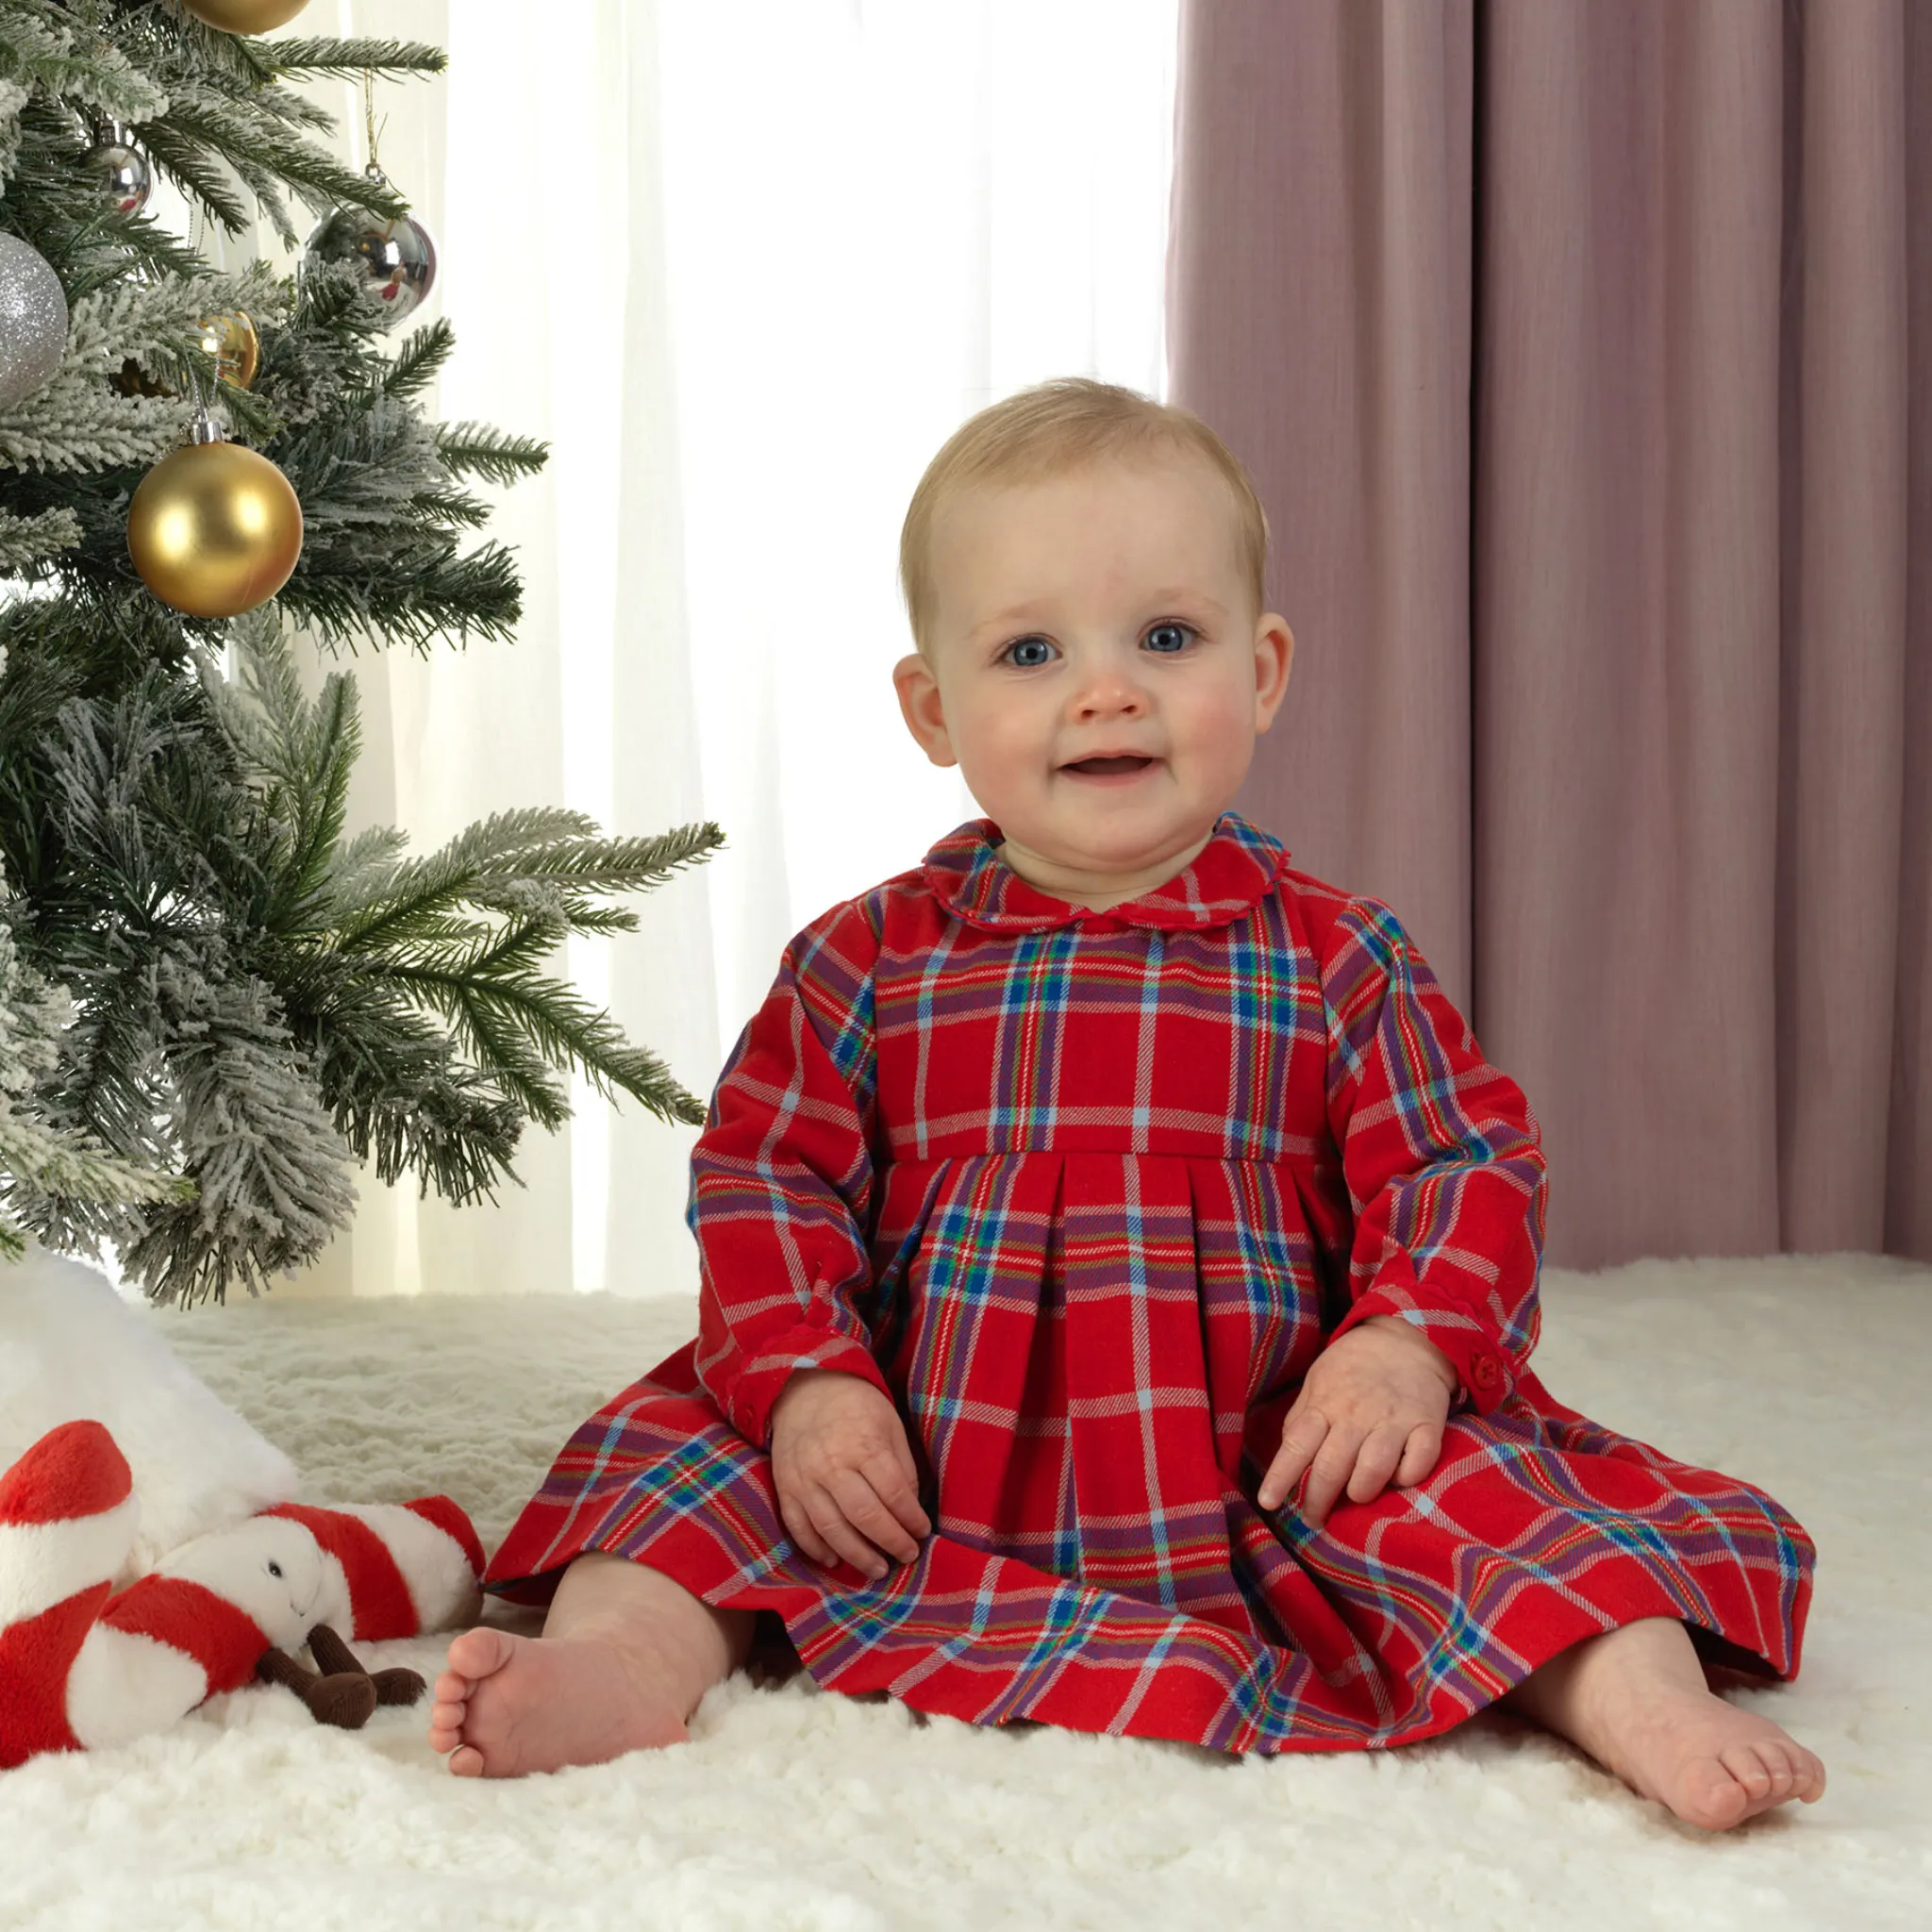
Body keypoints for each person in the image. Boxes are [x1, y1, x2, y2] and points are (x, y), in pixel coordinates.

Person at [429, 378, 1824, 1831]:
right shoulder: (868, 959)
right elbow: (764, 1179)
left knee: (1504, 1514)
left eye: (1168, 638)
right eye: (1031, 651)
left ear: (1265, 669)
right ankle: (616, 1669)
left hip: (1270, 1450)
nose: (1108, 690)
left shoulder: (1337, 956)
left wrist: (1407, 1347)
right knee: (681, 1466)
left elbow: (1462, 1163)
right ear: (934, 709)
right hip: (924, 1441)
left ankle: (1645, 1705)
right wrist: (810, 1382)